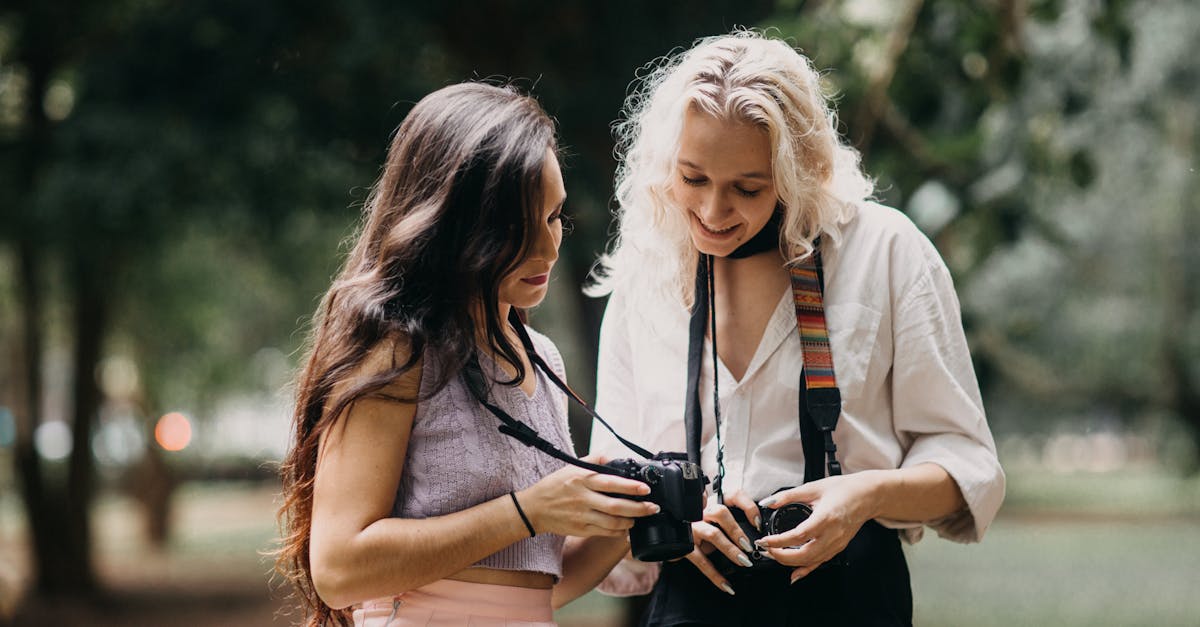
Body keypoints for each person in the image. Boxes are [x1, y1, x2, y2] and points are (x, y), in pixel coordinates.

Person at [587, 31, 1006, 626]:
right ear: (664, 163)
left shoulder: (884, 252)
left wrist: (864, 496)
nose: (712, 212)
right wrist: (678, 519)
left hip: (852, 598)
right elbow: (608, 476)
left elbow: (968, 462)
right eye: (693, 178)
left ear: (797, 168)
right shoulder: (644, 273)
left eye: (747, 188)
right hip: (693, 602)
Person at [275, 82, 658, 627]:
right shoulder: (399, 351)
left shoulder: (541, 356)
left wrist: (618, 520)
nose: (549, 248)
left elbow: (534, 588)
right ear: (452, 223)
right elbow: (339, 568)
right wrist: (529, 510)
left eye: (554, 218)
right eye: (519, 228)